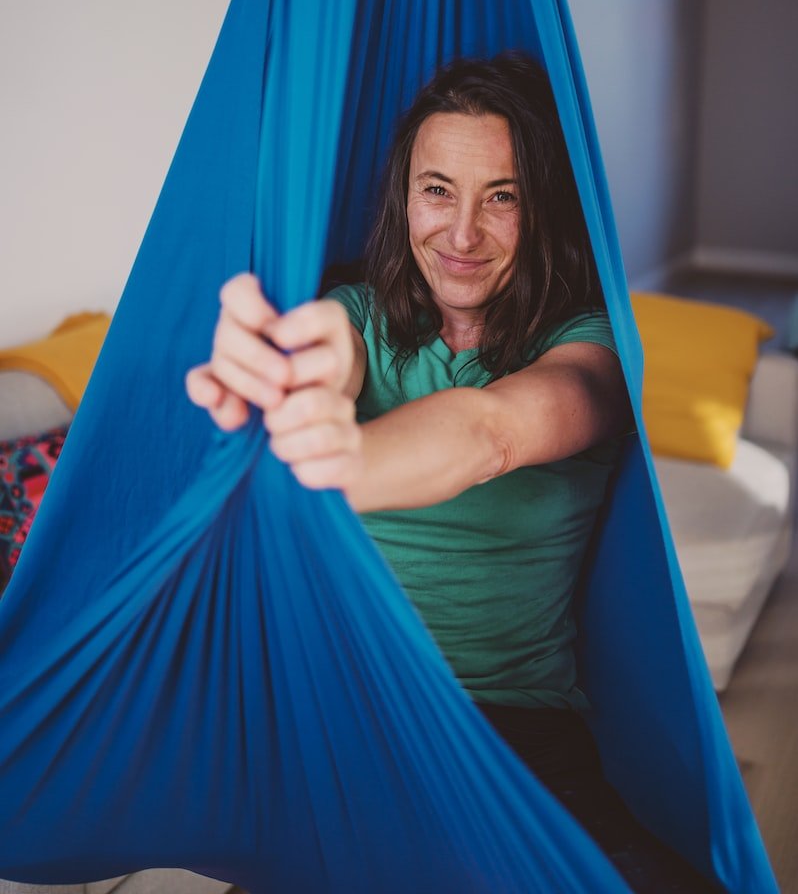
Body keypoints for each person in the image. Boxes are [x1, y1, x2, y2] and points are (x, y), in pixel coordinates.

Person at [186, 53, 718, 893]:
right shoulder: (353, 315)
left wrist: (346, 458)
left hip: (515, 728)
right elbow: (326, 347)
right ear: (403, 197)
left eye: (500, 197)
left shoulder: (593, 348)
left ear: (541, 209)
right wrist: (293, 377)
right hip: (342, 711)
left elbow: (495, 431)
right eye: (438, 190)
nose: (462, 234)